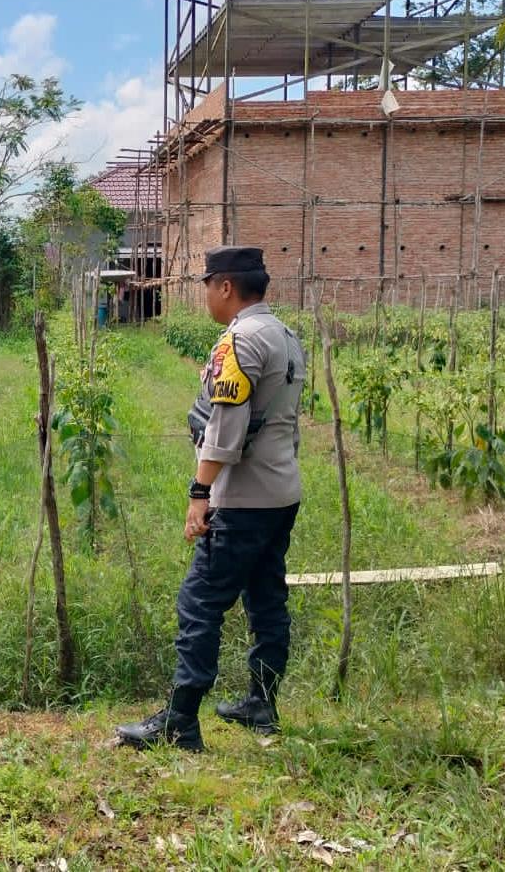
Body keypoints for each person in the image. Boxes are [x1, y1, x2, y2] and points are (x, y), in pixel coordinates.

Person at [117, 246, 306, 751]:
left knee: (199, 602)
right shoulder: (286, 335)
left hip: (241, 499)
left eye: (207, 285)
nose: (204, 294)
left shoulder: (239, 341)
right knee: (267, 599)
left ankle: (180, 721)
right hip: (281, 492)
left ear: (225, 286)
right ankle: (261, 703)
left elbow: (225, 425)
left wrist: (200, 493)